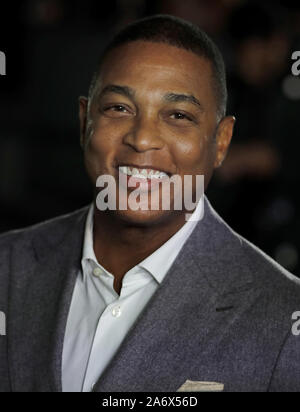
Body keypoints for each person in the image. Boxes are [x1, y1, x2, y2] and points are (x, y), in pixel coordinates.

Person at [0, 14, 300, 393]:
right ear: (83, 122)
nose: (142, 139)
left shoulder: (285, 319)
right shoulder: (6, 266)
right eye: (119, 109)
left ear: (221, 143)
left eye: (178, 115)